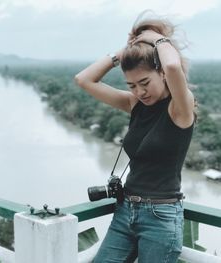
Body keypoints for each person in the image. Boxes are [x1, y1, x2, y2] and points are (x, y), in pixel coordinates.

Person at [75, 11, 195, 263]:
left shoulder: (180, 109)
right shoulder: (135, 104)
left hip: (161, 217)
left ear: (161, 74)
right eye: (131, 85)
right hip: (125, 211)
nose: (139, 91)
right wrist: (126, 51)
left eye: (144, 82)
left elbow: (173, 65)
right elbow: (84, 79)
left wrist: (157, 39)